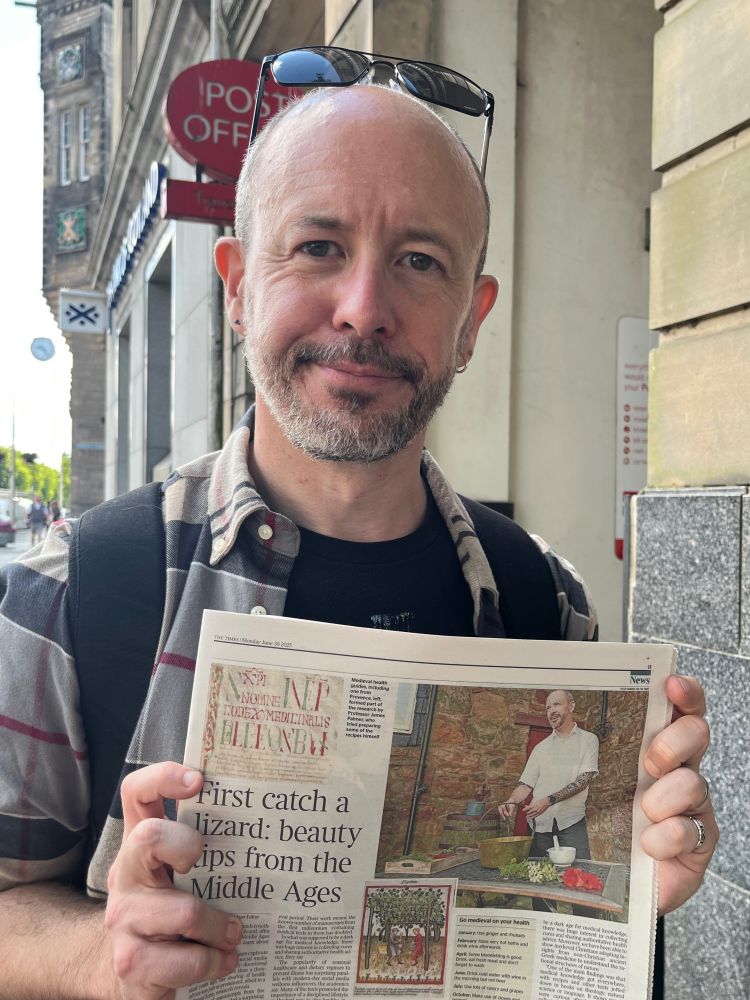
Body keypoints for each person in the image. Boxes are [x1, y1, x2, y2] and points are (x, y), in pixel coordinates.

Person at [0, 76, 717, 999]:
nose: (364, 307)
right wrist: (99, 953)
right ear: (236, 287)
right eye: (317, 247)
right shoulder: (70, 595)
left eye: (421, 260)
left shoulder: (545, 604)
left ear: (473, 320)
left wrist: (629, 902)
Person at [500, 689, 598, 913]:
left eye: (557, 705)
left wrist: (549, 800)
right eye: (548, 708)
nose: (551, 711)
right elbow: (525, 785)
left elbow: (583, 781)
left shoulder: (588, 740)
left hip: (572, 824)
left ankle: (585, 932)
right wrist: (511, 800)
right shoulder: (541, 748)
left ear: (570, 706)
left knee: (583, 886)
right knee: (540, 888)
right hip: (541, 827)